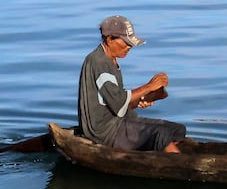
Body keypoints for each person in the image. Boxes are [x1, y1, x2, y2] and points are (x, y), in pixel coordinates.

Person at [77, 15, 186, 153]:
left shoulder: (111, 60)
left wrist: (142, 99)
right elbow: (118, 102)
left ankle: (159, 154)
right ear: (109, 39)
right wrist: (148, 87)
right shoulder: (98, 62)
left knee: (177, 130)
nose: (129, 47)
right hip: (104, 132)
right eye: (126, 43)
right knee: (161, 133)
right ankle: (180, 165)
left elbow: (117, 103)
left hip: (119, 121)